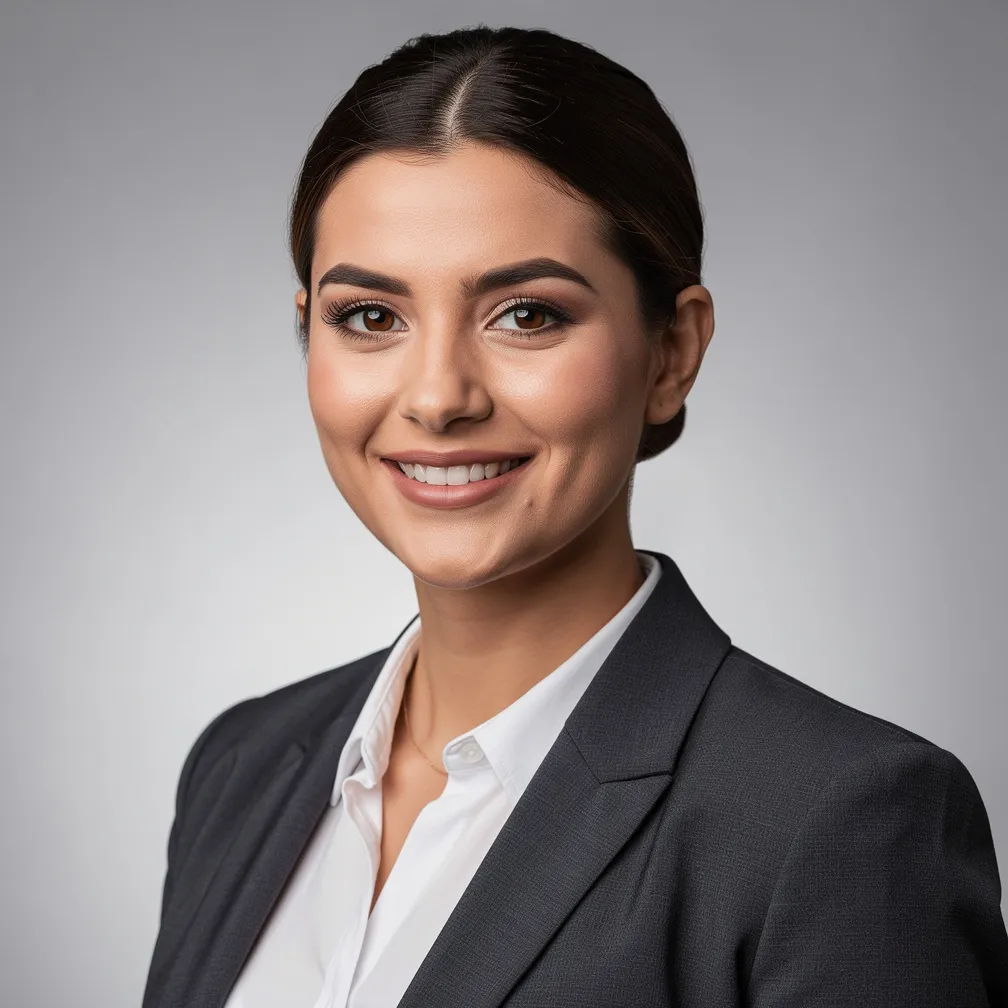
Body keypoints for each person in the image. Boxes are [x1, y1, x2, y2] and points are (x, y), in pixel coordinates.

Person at [141, 24, 1008, 1008]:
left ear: (673, 352)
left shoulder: (836, 826)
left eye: (527, 314)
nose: (437, 398)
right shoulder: (240, 768)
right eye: (370, 317)